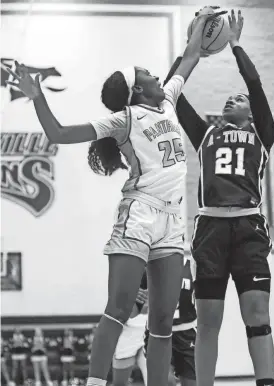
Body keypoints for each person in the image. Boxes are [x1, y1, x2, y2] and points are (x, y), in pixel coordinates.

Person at [5, 7, 226, 386]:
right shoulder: (123, 119)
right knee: (119, 309)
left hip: (171, 222)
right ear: (137, 88)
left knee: (161, 322)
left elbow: (191, 57)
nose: (158, 76)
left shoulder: (169, 101)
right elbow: (58, 133)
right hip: (139, 215)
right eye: (147, 74)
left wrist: (203, 17)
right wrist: (37, 97)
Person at [162, 10, 274, 386]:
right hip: (210, 227)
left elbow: (256, 85)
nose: (233, 98)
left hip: (248, 226)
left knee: (257, 313)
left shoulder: (264, 134)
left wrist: (235, 45)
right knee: (208, 321)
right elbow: (170, 98)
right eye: (229, 97)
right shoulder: (206, 134)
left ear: (251, 113)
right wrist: (190, 48)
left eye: (238, 98)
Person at [144, 257, 197, 386]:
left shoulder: (192, 265)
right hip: (159, 332)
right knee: (166, 381)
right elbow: (135, 307)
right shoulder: (151, 265)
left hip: (187, 332)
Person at [112, 273, 148, 386]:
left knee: (159, 380)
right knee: (119, 383)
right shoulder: (126, 265)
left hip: (151, 329)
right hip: (128, 330)